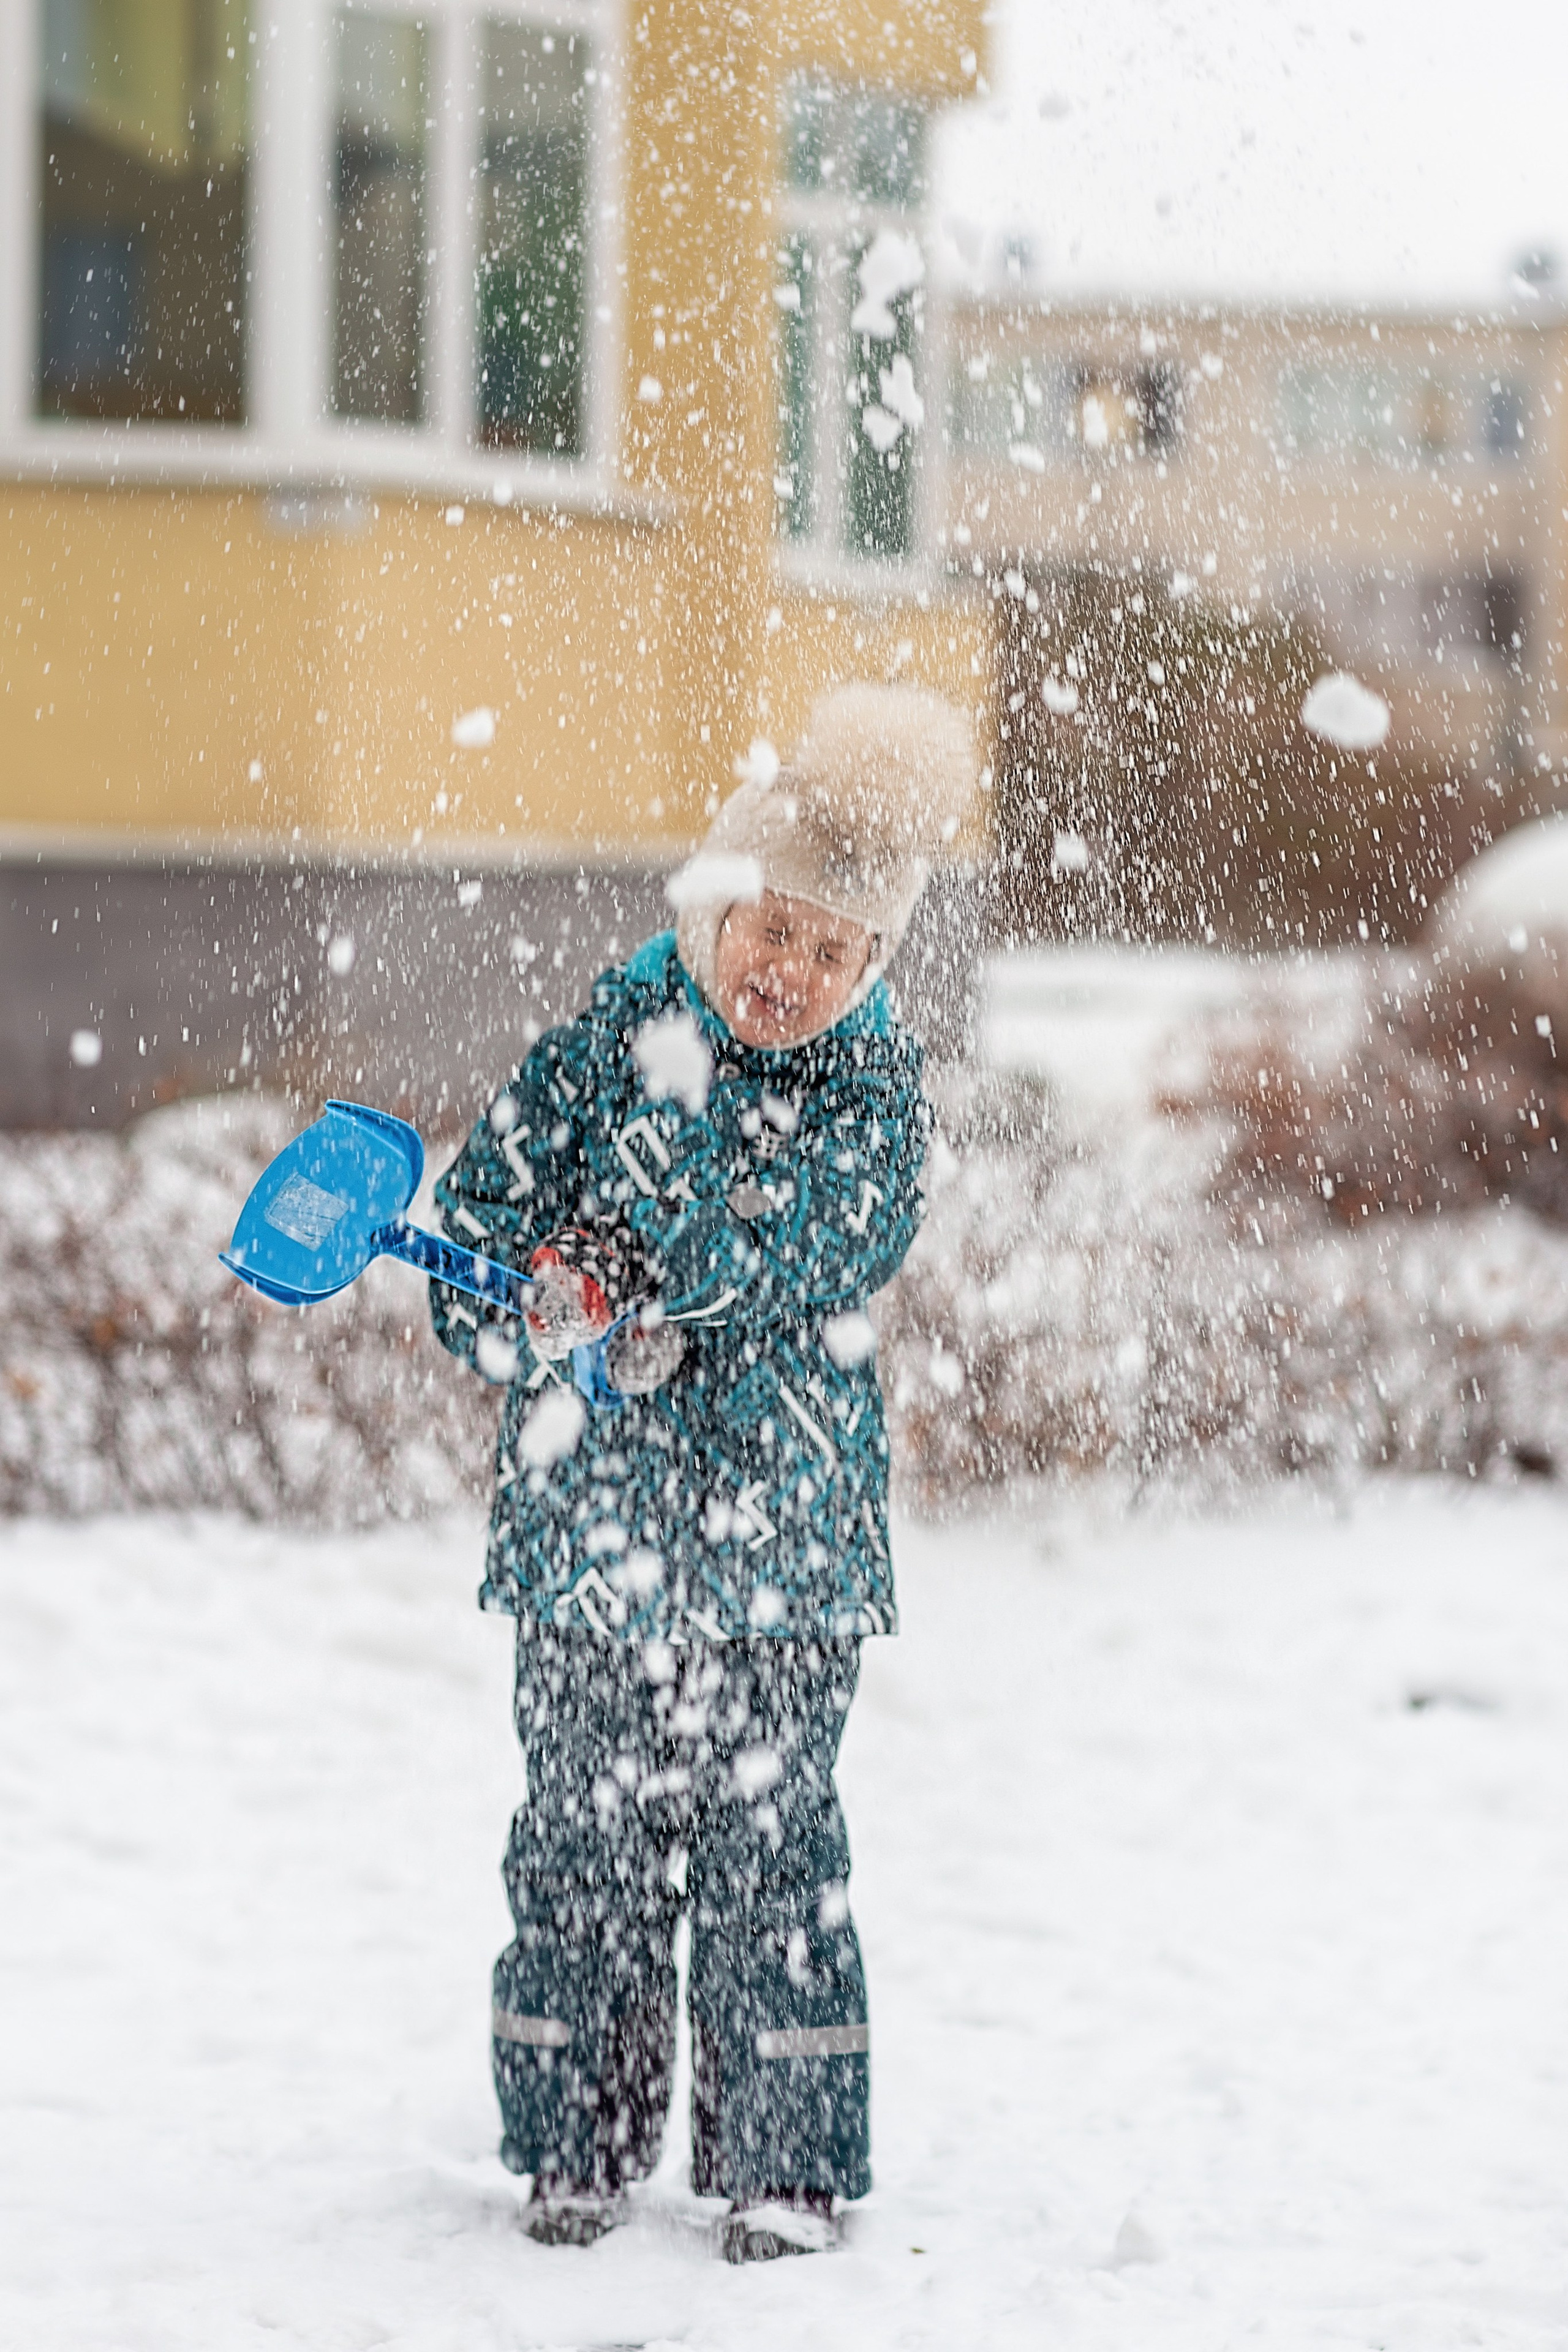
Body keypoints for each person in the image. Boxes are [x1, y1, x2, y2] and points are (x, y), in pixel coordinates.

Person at [429, 682, 974, 2261]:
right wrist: (531, 1296)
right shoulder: (607, 1043)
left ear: (871, 968)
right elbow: (477, 1236)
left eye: (832, 949)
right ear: (717, 902)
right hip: (590, 1541)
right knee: (582, 1844)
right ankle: (576, 2148)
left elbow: (815, 1237)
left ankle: (785, 2166)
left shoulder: (871, 1090)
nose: (788, 972)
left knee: (768, 1852)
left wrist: (632, 1269)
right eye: (772, 928)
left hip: (783, 1551)